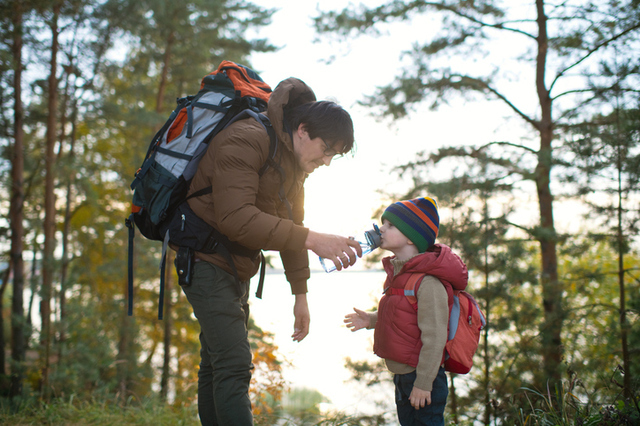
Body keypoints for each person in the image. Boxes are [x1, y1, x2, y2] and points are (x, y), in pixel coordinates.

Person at [181, 76, 362, 425]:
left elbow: (292, 224)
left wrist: (300, 295)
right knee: (233, 363)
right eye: (327, 149)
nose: (326, 161)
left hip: (237, 264)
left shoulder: (293, 163)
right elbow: (236, 218)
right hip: (204, 258)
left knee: (216, 362)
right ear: (303, 130)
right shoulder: (246, 138)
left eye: (334, 156)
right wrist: (314, 239)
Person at [344, 197, 468, 426]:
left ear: (411, 237)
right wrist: (372, 319)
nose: (381, 229)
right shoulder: (399, 275)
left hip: (423, 379)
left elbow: (435, 338)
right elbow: (404, 314)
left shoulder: (428, 283)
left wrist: (423, 383)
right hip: (404, 377)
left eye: (390, 225)